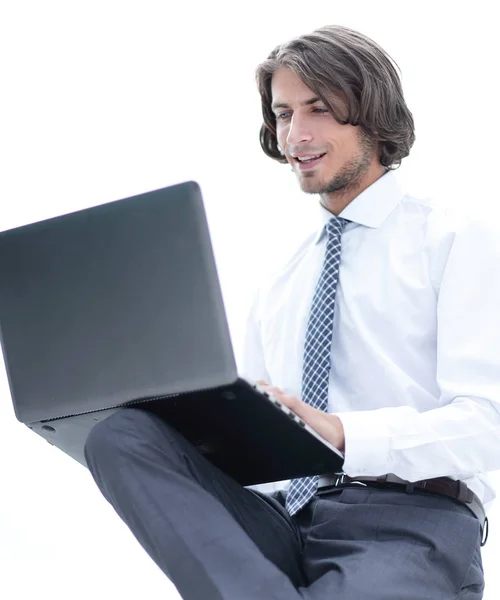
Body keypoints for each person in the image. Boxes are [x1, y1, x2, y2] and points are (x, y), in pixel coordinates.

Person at [84, 25, 500, 599]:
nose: (296, 135)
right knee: (121, 435)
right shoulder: (282, 280)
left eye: (319, 109)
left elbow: (490, 424)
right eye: (282, 114)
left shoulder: (455, 239)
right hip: (285, 521)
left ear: (372, 113)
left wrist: (344, 433)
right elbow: (252, 452)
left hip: (408, 526)